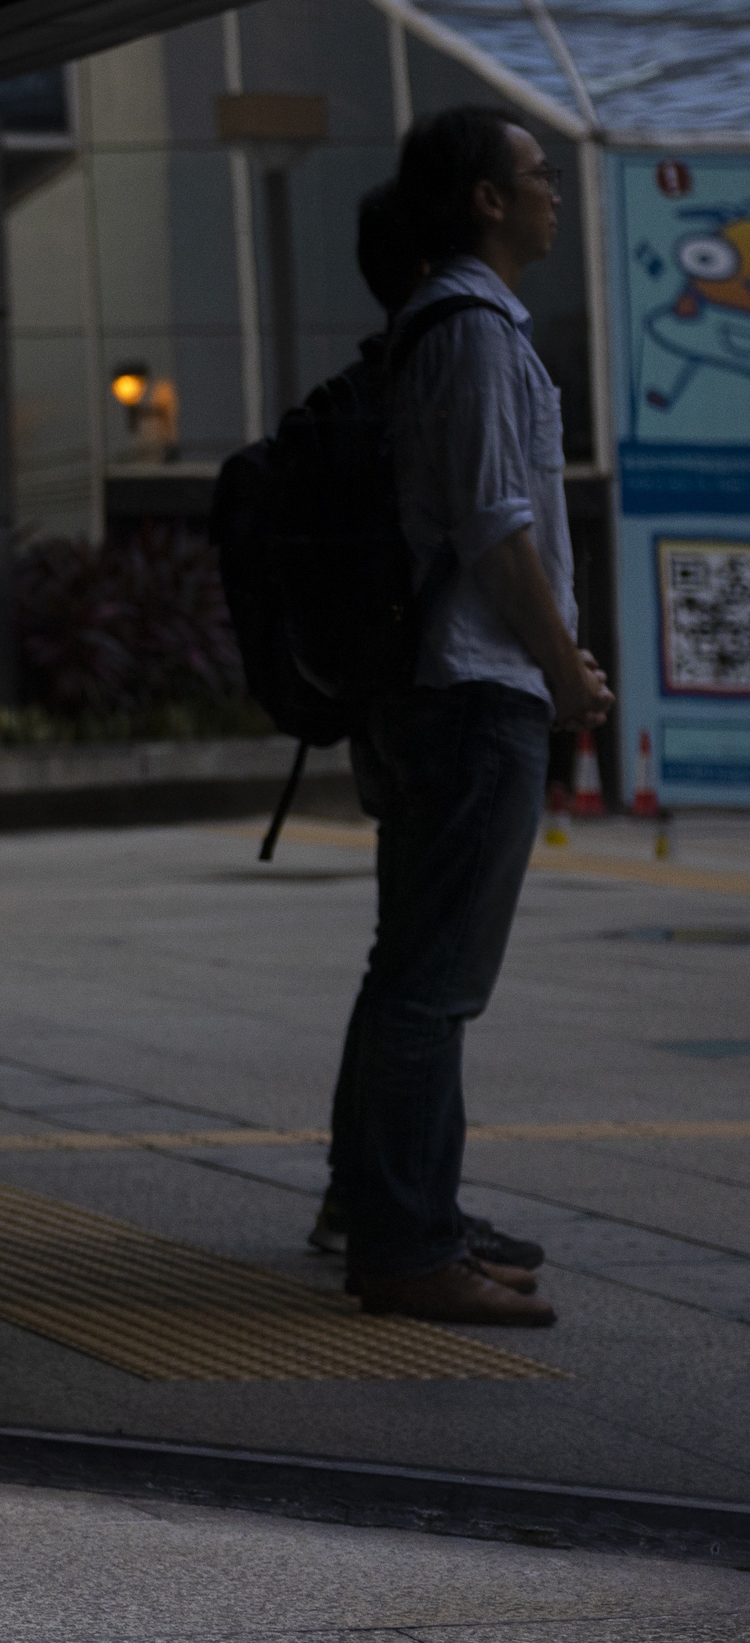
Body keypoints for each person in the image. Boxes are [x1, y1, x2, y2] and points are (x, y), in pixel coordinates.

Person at [318, 108, 596, 1328]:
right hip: (473, 692)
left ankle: (392, 1209)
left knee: (409, 971)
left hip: (442, 688)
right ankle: (405, 1244)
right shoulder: (473, 330)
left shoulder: (440, 324)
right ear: (484, 199)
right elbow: (494, 525)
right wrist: (563, 671)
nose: (553, 191)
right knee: (434, 985)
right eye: (536, 173)